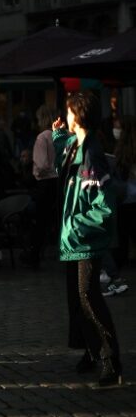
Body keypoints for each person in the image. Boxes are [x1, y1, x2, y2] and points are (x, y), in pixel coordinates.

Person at [52, 91, 122, 386]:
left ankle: (110, 359)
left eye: (69, 112)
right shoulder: (74, 145)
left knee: (89, 298)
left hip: (85, 239)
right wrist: (56, 135)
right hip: (73, 239)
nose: (66, 116)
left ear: (78, 115)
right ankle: (93, 352)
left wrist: (77, 225)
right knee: (77, 300)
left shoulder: (92, 153)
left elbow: (105, 206)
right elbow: (62, 161)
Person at [21, 105, 60, 268]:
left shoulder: (42, 138)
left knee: (39, 220)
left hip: (44, 182)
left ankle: (33, 253)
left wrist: (36, 168)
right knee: (52, 219)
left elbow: (42, 164)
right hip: (57, 181)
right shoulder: (59, 136)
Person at [102, 115, 136, 296]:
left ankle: (114, 275)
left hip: (127, 199)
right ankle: (114, 274)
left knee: (122, 238)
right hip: (129, 197)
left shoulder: (122, 150)